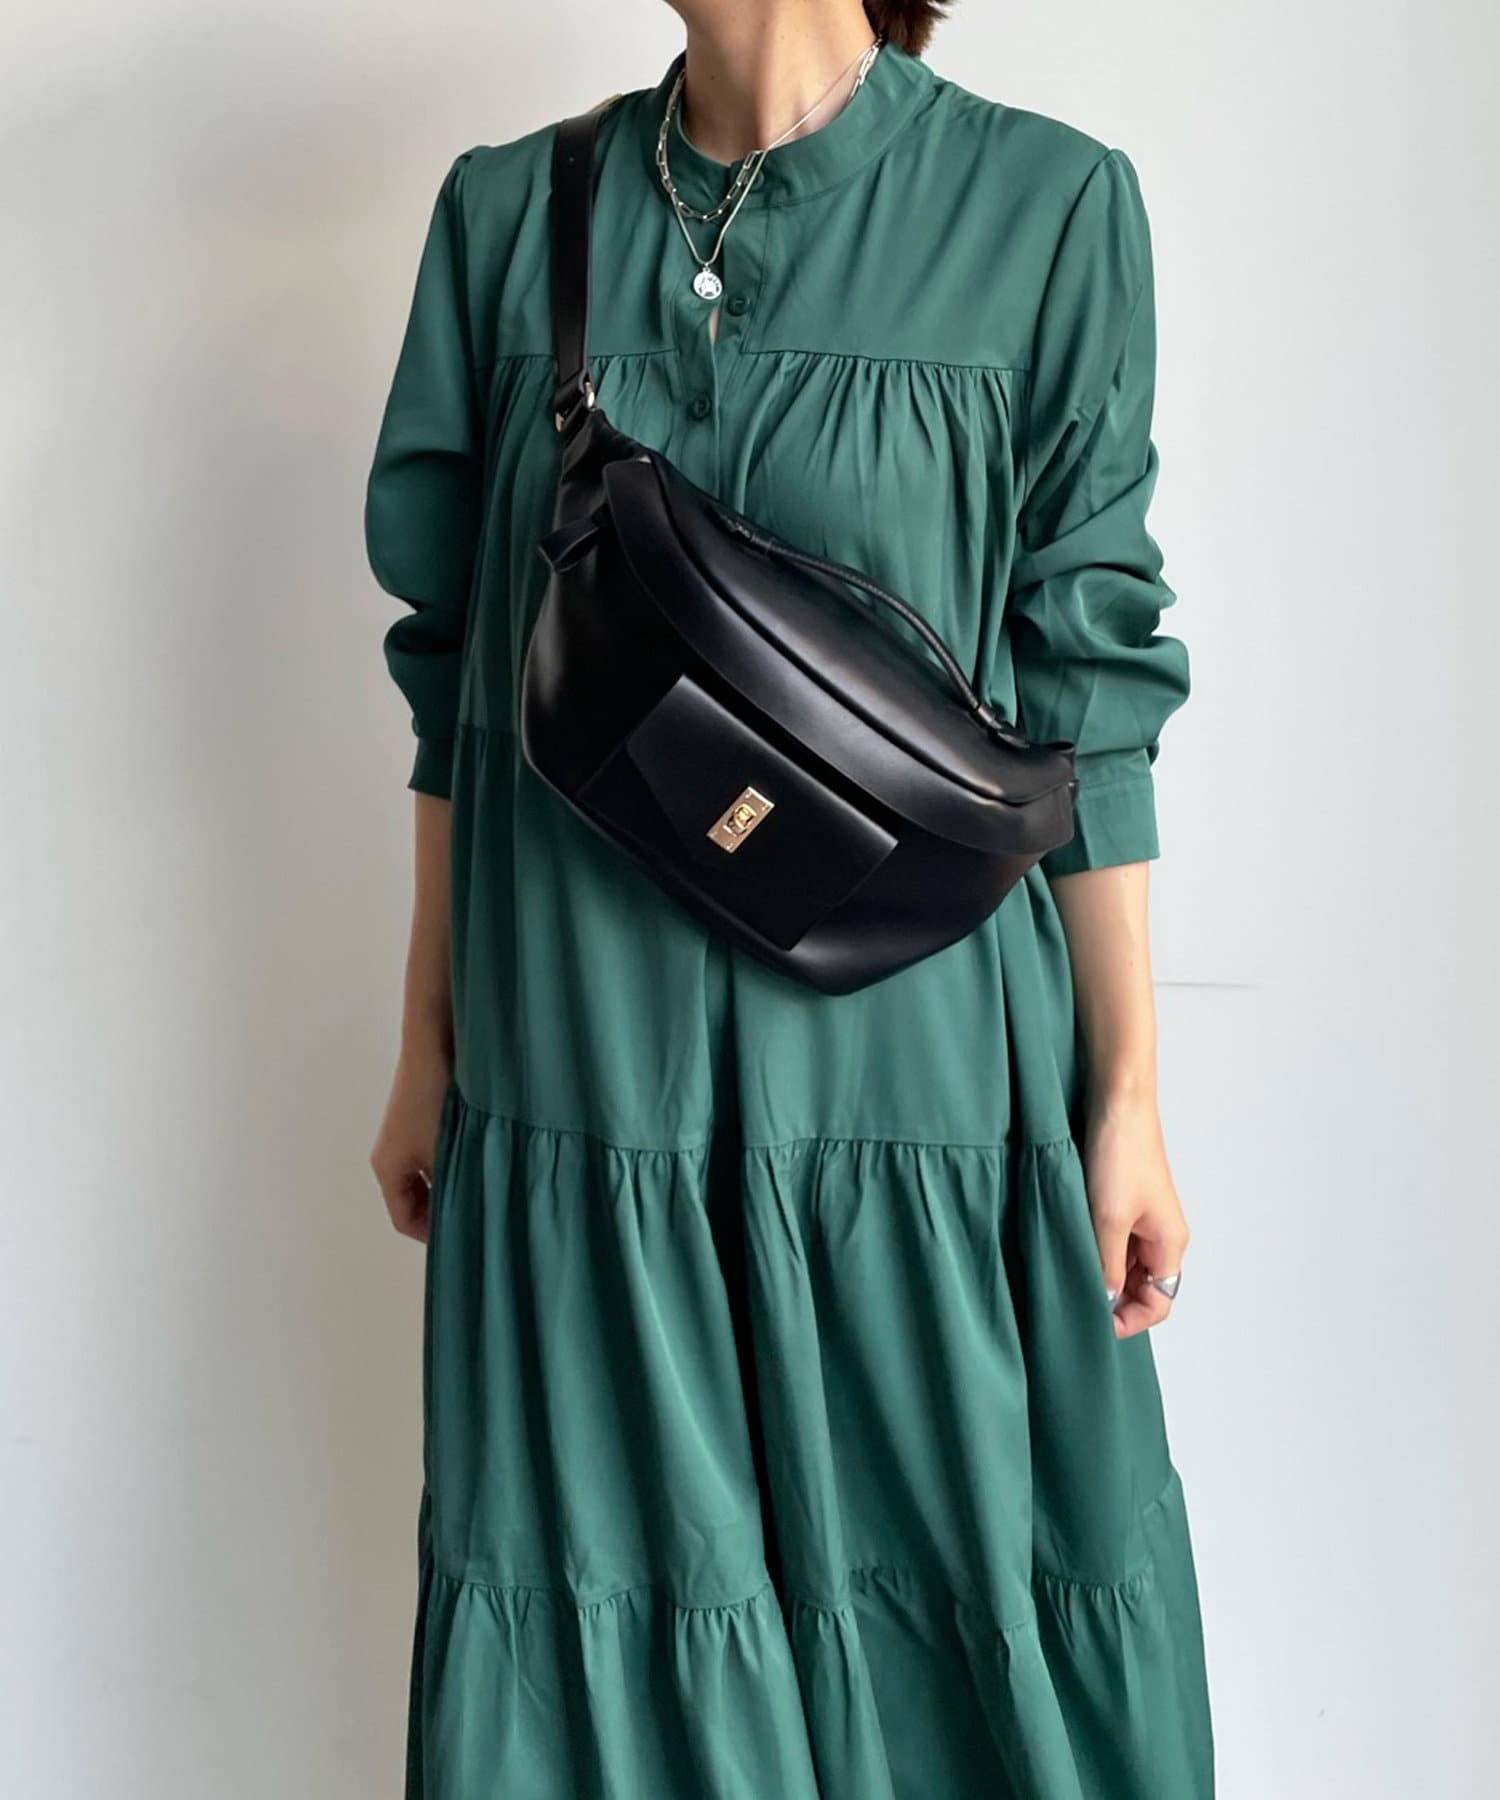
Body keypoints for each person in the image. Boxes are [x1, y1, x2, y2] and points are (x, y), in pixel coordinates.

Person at [365, 2, 1214, 1794]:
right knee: (599, 1659)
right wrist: (426, 1039)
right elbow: (461, 686)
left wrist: (1128, 1095)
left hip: (915, 1091)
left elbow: (1086, 686)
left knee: (955, 1654)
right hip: (583, 1079)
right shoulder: (508, 217)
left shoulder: (1045, 207)